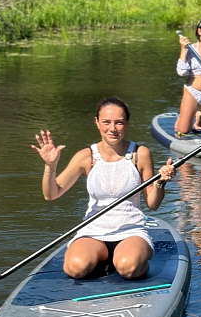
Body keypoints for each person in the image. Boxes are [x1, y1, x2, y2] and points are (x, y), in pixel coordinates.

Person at [31, 97, 175, 281]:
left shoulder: (140, 154)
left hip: (130, 231)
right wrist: (50, 166)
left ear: (127, 124)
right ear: (97, 123)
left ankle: (129, 260)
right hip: (93, 231)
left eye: (119, 123)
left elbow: (152, 204)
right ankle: (101, 259)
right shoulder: (86, 156)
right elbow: (50, 194)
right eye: (106, 122)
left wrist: (161, 182)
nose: (112, 129)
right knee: (75, 269)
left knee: (129, 268)